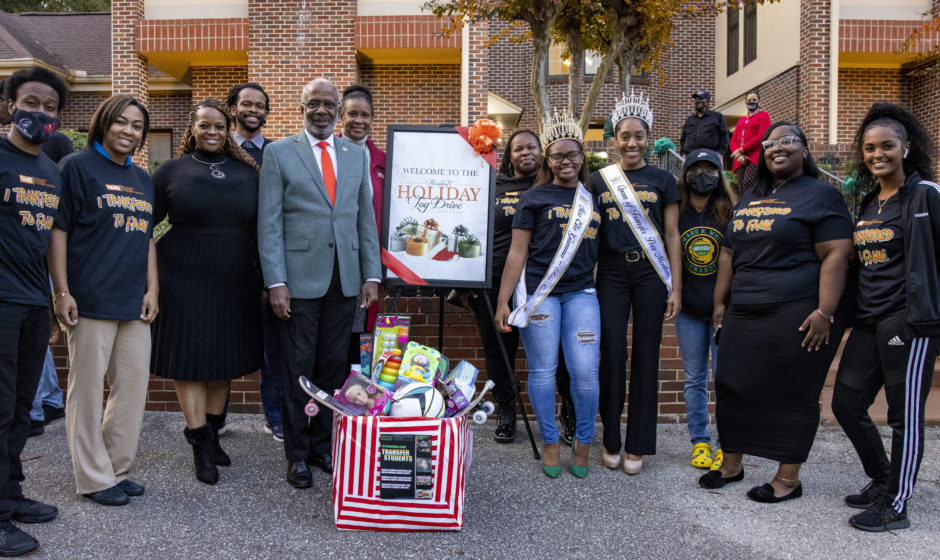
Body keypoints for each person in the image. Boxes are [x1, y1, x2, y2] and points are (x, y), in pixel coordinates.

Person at [701, 122, 853, 502]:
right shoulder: (751, 196)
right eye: (770, 143)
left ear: (804, 149)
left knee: (792, 391)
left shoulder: (823, 196)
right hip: (744, 310)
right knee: (731, 385)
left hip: (796, 312)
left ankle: (788, 478)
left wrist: (825, 311)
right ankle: (731, 464)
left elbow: (837, 253)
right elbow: (729, 253)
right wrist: (720, 302)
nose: (776, 148)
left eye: (788, 141)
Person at [258, 77, 380, 489]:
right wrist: (275, 280)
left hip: (344, 281)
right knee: (298, 370)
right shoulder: (278, 153)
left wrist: (370, 273)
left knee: (332, 370)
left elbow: (364, 218)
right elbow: (269, 222)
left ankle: (322, 448)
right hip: (297, 283)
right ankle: (296, 455)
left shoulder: (354, 154)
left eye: (330, 104)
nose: (323, 111)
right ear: (303, 106)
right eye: (315, 104)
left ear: (338, 110)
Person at [831, 103, 940, 532]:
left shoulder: (925, 194)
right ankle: (882, 478)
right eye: (870, 148)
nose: (878, 154)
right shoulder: (870, 202)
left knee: (903, 415)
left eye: (888, 146)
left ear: (906, 148)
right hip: (870, 319)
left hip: (908, 321)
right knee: (846, 403)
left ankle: (897, 504)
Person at [48, 94, 157, 506]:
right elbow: (58, 231)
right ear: (104, 123)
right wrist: (61, 292)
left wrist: (153, 290)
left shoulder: (142, 178)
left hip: (133, 301)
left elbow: (145, 237)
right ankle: (93, 477)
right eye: (122, 122)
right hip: (89, 297)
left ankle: (114, 468)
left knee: (131, 388)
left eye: (137, 127)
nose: (129, 131)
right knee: (87, 391)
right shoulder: (76, 168)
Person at [150, 99, 263, 485]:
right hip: (181, 278)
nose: (212, 132)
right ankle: (199, 442)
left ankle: (213, 434)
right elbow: (143, 227)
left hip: (234, 279)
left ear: (228, 128)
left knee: (223, 359)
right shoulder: (171, 171)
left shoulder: (247, 172)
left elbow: (263, 228)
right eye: (204, 125)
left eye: (219, 126)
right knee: (190, 359)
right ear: (192, 128)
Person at [495, 110, 601, 479]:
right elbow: (517, 252)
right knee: (543, 370)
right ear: (548, 160)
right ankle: (552, 442)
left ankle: (584, 442)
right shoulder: (534, 197)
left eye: (572, 154)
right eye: (557, 156)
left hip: (582, 294)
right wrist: (503, 301)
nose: (565, 161)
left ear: (581, 158)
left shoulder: (594, 198)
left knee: (584, 371)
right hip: (541, 294)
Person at [467, 129, 576, 445]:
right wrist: (469, 276)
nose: (526, 153)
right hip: (496, 278)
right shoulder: (491, 186)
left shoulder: (554, 184)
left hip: (543, 280)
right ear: (509, 155)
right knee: (500, 349)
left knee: (555, 350)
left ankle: (566, 411)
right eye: (518, 149)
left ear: (542, 152)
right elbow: (472, 230)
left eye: (532, 147)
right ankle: (506, 410)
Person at [594, 90, 682, 475]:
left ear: (649, 139)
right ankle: (611, 439)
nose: (631, 143)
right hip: (611, 273)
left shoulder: (663, 179)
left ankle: (638, 444)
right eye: (624, 136)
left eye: (639, 136)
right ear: (614, 140)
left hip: (650, 273)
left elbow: (673, 235)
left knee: (647, 356)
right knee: (612, 354)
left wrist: (675, 286)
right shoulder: (598, 181)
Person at [0, 65, 68, 557]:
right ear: (10, 105)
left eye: (49, 108)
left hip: (31, 301)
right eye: (31, 104)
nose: (39, 114)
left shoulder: (49, 170)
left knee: (22, 407)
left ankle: (11, 492)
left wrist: (53, 299)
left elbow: (48, 243)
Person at [225, 82, 283, 442]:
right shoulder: (217, 149)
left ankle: (274, 415)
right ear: (233, 108)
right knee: (223, 341)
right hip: (227, 260)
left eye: (260, 105)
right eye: (246, 103)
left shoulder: (278, 153)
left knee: (274, 346)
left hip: (268, 263)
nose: (253, 110)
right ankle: (215, 418)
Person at [675, 149, 737, 471]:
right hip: (687, 311)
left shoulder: (729, 211)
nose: (703, 175)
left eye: (710, 169)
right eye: (696, 169)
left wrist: (726, 303)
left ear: (720, 174)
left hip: (722, 312)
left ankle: (727, 444)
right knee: (695, 378)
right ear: (685, 175)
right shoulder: (676, 212)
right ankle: (700, 442)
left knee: (723, 378)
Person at [336, 84, 386, 368]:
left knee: (365, 334)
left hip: (371, 259)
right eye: (352, 113)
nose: (358, 120)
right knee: (338, 331)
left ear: (372, 118)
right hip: (337, 255)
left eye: (365, 114)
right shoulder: (329, 154)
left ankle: (359, 398)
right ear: (342, 115)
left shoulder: (382, 160)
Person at [729, 91, 770, 193]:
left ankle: (752, 206)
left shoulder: (763, 115)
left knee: (749, 183)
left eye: (754, 100)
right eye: (749, 100)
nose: (751, 102)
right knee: (742, 186)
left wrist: (742, 150)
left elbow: (762, 136)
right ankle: (744, 207)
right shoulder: (741, 120)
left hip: (755, 156)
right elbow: (733, 140)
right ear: (746, 102)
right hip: (740, 158)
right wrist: (738, 155)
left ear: (759, 101)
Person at [680, 90, 730, 156]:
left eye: (700, 99)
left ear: (706, 102)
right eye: (696, 99)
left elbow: (724, 136)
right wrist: (683, 153)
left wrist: (719, 153)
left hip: (711, 155)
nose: (697, 101)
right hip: (690, 155)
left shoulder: (717, 117)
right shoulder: (690, 119)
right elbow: (683, 138)